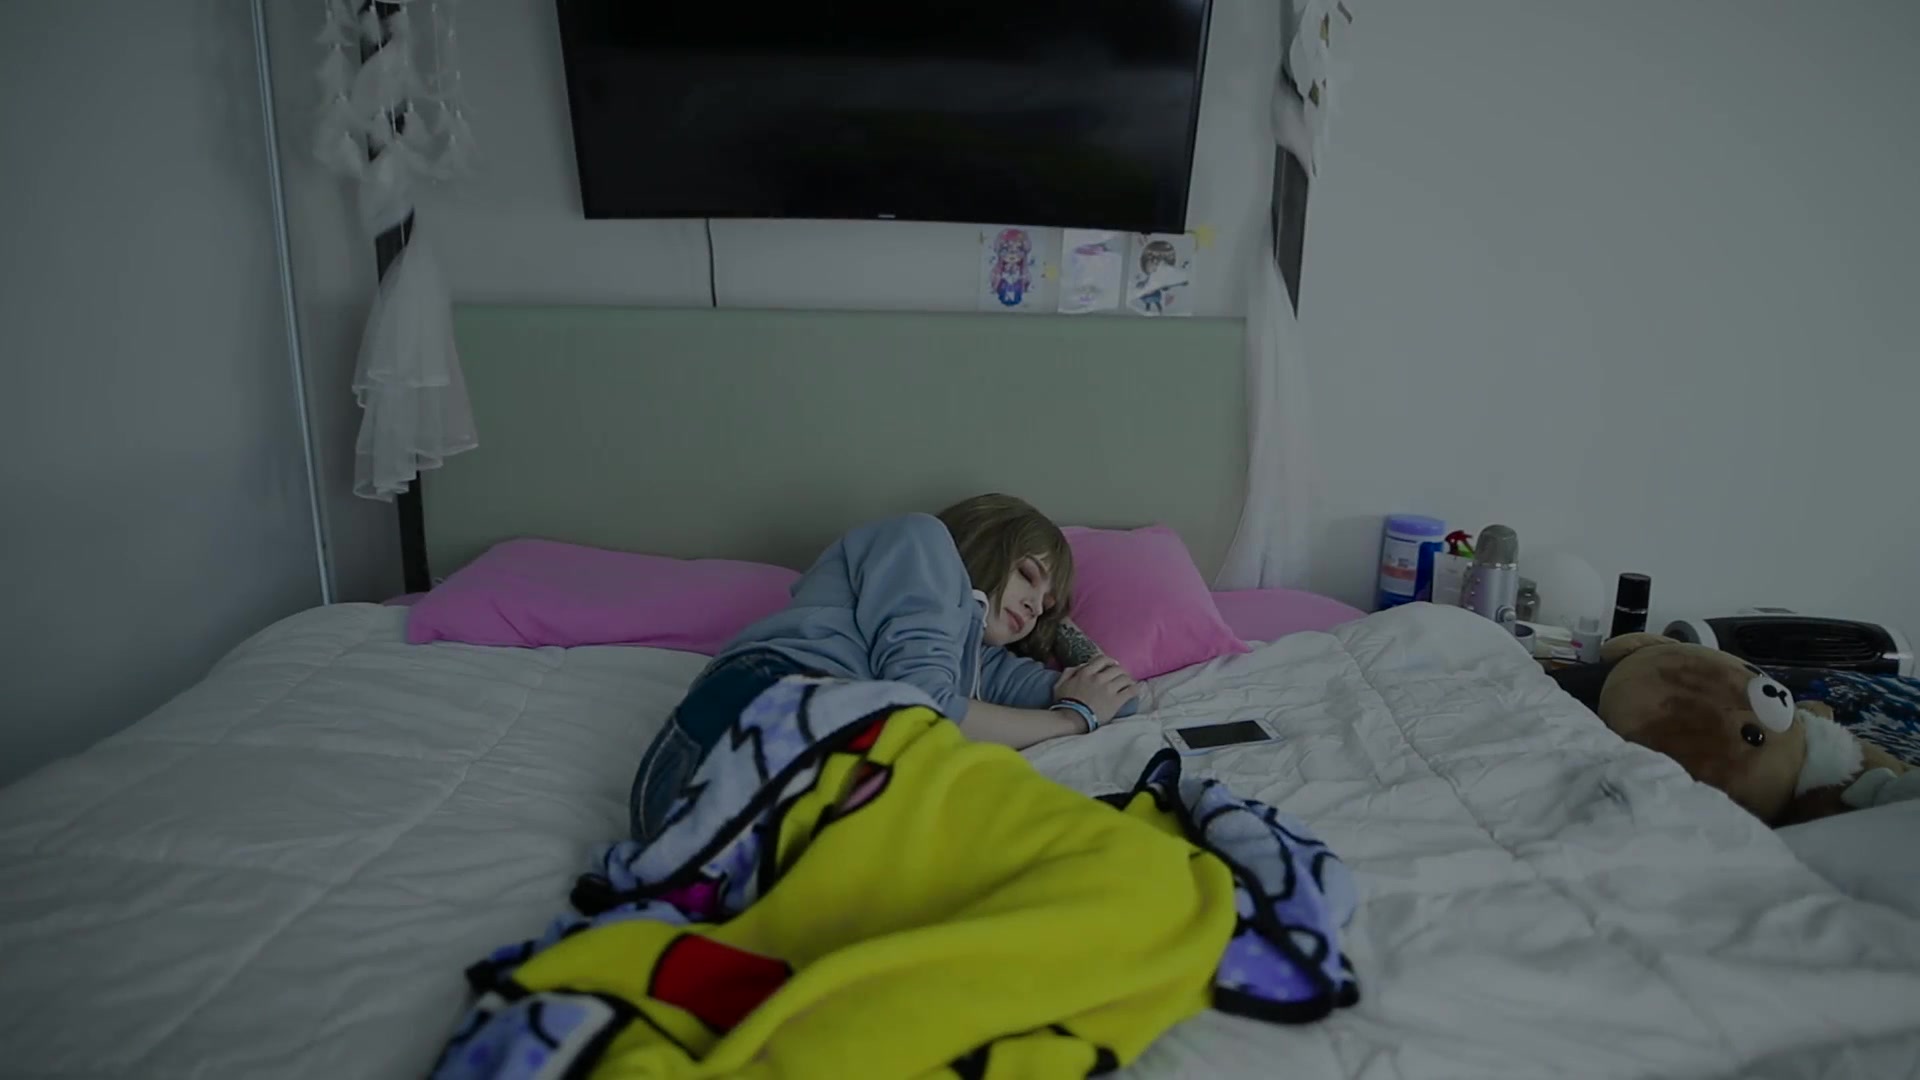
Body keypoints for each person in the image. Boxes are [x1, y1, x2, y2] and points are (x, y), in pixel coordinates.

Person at [628, 493, 1138, 841]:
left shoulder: (981, 664)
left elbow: (1120, 699)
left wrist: (1060, 631)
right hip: (760, 712)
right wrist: (1071, 721)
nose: (1034, 605)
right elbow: (924, 706)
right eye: (1028, 575)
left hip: (787, 790)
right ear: (985, 541)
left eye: (1046, 604)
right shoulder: (921, 541)